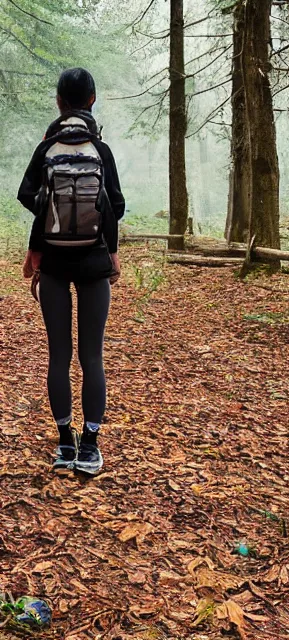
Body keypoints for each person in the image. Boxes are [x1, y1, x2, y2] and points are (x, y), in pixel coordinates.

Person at [18, 68, 125, 475]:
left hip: (56, 264)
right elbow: (115, 206)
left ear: (59, 102)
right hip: (95, 263)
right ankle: (91, 446)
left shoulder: (46, 148)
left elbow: (26, 193)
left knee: (59, 355)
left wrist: (51, 220)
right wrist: (110, 251)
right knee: (92, 356)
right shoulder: (101, 150)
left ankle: (65, 443)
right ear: (92, 100)